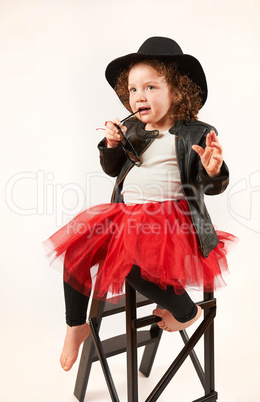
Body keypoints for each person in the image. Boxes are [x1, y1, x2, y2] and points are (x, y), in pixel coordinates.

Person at [44, 36, 237, 371]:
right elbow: (112, 169)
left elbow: (211, 186)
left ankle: (185, 310)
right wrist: (111, 144)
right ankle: (75, 325)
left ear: (177, 91)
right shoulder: (133, 127)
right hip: (124, 214)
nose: (139, 96)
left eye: (150, 87)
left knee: (130, 263)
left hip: (170, 221)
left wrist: (214, 169)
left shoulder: (195, 133)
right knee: (75, 251)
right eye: (133, 90)